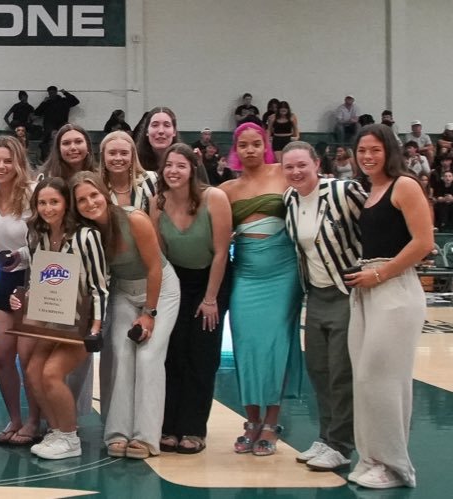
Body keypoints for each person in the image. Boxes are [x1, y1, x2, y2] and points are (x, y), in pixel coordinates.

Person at [343, 124, 433, 489]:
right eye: (362, 150)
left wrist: (380, 274)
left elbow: (424, 242)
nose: (367, 156)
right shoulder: (369, 190)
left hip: (395, 289)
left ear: (389, 151)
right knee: (364, 380)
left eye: (375, 150)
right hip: (369, 288)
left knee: (382, 380)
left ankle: (396, 467)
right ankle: (372, 457)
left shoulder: (405, 185)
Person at [4, 176, 110, 460]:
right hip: (52, 321)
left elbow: (99, 287)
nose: (48, 208)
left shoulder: (87, 237)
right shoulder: (37, 237)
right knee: (33, 372)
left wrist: (96, 328)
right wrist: (22, 298)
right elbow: (40, 282)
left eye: (54, 202)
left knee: (51, 374)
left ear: (66, 204)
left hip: (81, 323)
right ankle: (56, 431)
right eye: (42, 202)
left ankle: (70, 436)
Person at [72, 171, 175, 461]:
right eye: (82, 200)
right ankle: (117, 433)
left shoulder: (134, 219)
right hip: (122, 290)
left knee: (148, 356)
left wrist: (149, 313)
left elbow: (155, 268)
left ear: (105, 193)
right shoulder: (85, 231)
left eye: (94, 195)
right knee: (119, 353)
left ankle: (146, 437)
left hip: (160, 289)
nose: (90, 203)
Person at [278, 141, 365, 471]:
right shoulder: (289, 199)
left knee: (341, 372)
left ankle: (342, 445)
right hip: (315, 295)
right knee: (318, 369)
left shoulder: (344, 192)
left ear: (317, 164)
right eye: (289, 167)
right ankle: (327, 435)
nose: (296, 172)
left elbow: (375, 227)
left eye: (302, 165)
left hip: (346, 292)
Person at [216, 122, 302, 458]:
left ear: (265, 144)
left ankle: (272, 421)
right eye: (243, 145)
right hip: (246, 274)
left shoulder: (285, 174)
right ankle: (251, 420)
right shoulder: (226, 189)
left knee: (277, 347)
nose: (250, 150)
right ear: (235, 150)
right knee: (246, 345)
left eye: (256, 144)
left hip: (284, 272)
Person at [151, 144, 231, 455]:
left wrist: (211, 298)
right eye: (168, 165)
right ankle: (169, 426)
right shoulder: (157, 202)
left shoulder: (215, 198)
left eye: (180, 165)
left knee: (203, 355)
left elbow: (222, 252)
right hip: (177, 281)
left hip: (211, 280)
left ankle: (194, 429)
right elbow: (159, 256)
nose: (173, 171)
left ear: (193, 169)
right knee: (173, 354)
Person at [0, 136, 42, 446]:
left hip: (33, 278)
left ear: (18, 164)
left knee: (27, 357)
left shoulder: (33, 194)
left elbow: (47, 239)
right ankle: (15, 418)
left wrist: (22, 255)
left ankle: (34, 421)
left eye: (8, 160)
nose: (1, 166)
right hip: (3, 280)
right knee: (2, 356)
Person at [100, 131, 158, 213]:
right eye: (112, 153)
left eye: (124, 153)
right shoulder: (96, 187)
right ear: (103, 156)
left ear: (132, 156)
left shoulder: (151, 180)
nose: (118, 158)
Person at [135, 107, 179, 184]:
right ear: (147, 131)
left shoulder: (186, 161)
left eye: (167, 125)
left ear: (174, 131)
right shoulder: (135, 162)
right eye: (155, 125)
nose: (161, 131)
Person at [34, 86, 80, 159]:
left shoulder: (63, 101)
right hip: (49, 124)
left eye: (52, 93)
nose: (51, 94)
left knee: (66, 133)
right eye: (50, 93)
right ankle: (44, 158)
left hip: (61, 123)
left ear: (56, 92)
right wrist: (43, 102)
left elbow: (76, 101)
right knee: (47, 138)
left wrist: (65, 93)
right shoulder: (47, 103)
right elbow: (37, 113)